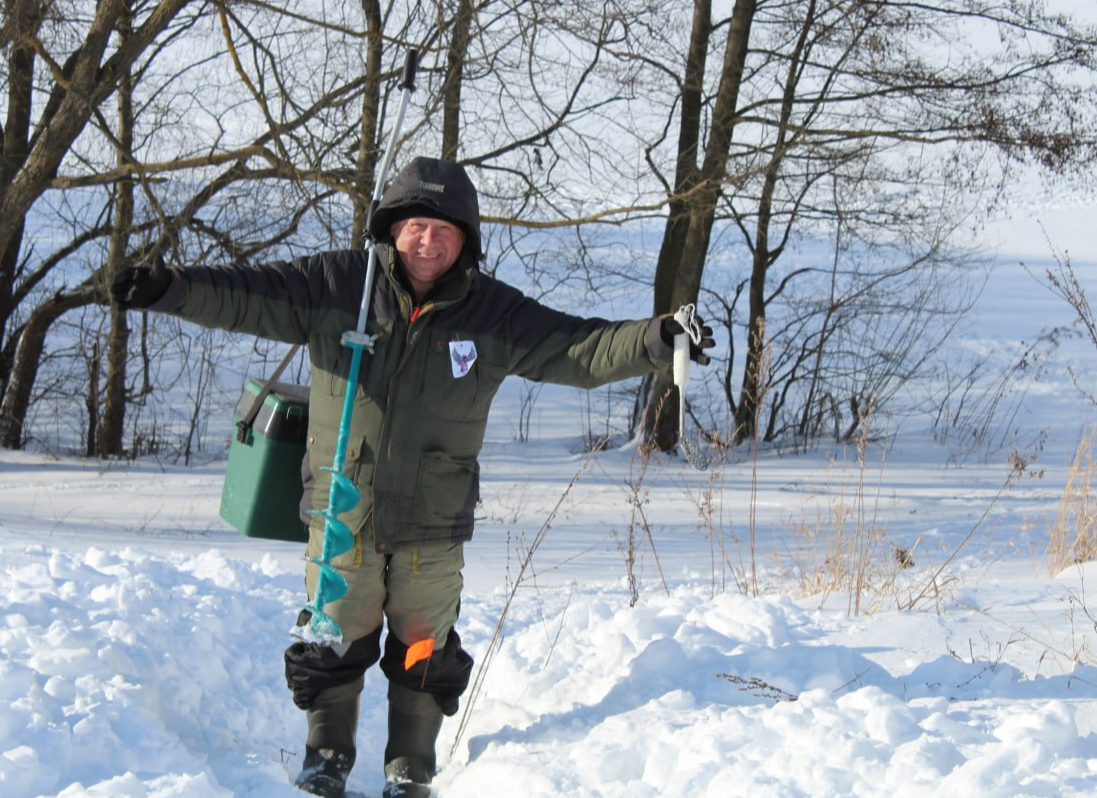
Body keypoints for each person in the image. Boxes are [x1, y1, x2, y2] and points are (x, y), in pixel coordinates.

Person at [110, 157, 714, 797]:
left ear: (466, 240)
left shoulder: (492, 314)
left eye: (445, 230)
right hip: (343, 507)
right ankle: (326, 758)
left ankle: (410, 768)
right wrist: (169, 290)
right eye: (417, 226)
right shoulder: (338, 285)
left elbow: (578, 348)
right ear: (392, 227)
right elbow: (243, 295)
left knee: (425, 651)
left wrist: (657, 337)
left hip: (433, 519)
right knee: (332, 639)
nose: (429, 242)